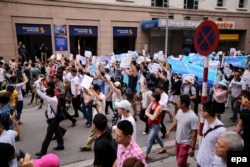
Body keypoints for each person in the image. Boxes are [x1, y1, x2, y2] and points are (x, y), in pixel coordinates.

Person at [165, 95, 198, 167]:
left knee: (180, 163)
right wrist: (169, 130)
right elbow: (176, 121)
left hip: (185, 143)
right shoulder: (179, 111)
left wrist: (192, 147)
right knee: (180, 161)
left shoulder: (193, 117)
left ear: (183, 104)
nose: (176, 103)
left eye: (178, 101)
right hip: (177, 141)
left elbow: (194, 133)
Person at [35, 87, 64, 157]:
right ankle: (60, 145)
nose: (46, 94)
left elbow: (44, 96)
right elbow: (45, 92)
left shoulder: (52, 100)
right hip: (54, 119)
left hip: (53, 120)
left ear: (49, 94)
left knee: (48, 136)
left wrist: (37, 90)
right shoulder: (53, 98)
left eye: (47, 94)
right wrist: (40, 87)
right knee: (57, 131)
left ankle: (43, 151)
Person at [196, 101, 226, 167]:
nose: (200, 112)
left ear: (206, 113)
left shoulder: (221, 130)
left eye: (201, 110)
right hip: (200, 159)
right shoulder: (206, 122)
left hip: (209, 163)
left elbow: (222, 149)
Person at [80, 84, 106, 151]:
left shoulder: (103, 96)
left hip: (101, 117)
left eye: (94, 90)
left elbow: (99, 99)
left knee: (101, 132)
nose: (93, 91)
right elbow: (88, 93)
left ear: (98, 90)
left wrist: (92, 89)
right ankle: (87, 146)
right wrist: (85, 86)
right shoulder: (94, 94)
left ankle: (88, 146)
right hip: (96, 117)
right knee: (94, 132)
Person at [144, 92, 166, 159]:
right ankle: (163, 148)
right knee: (157, 138)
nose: (151, 98)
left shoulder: (159, 107)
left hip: (156, 126)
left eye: (152, 97)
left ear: (155, 99)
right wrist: (150, 115)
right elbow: (146, 112)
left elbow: (152, 117)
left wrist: (148, 114)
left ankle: (146, 154)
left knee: (150, 140)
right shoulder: (152, 103)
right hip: (151, 124)